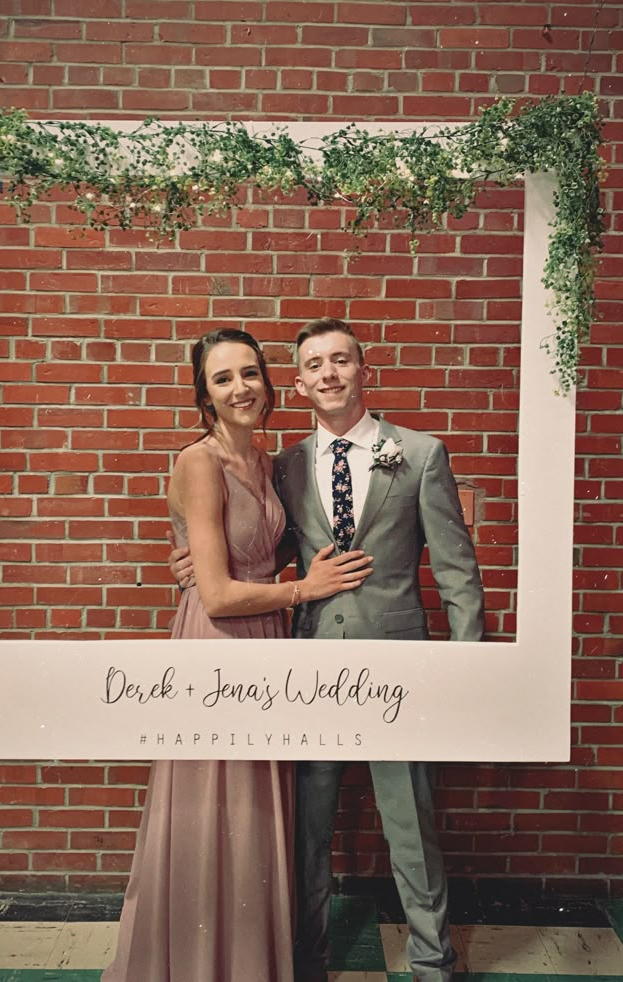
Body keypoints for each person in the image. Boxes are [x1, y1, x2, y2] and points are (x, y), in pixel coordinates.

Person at [170, 319, 485, 982]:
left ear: (362, 369)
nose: (328, 374)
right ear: (301, 381)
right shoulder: (282, 465)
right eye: (314, 365)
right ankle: (305, 960)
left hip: (398, 669)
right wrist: (204, 563)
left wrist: (466, 671)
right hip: (307, 666)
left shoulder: (421, 454)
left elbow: (457, 571)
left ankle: (434, 963)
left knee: (411, 826)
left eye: (340, 360)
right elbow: (273, 547)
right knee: (305, 828)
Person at [102, 327, 372, 982]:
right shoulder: (199, 461)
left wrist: (278, 571)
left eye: (249, 372)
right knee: (214, 807)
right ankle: (198, 966)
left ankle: (251, 962)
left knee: (254, 810)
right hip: (218, 645)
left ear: (269, 381)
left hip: (266, 641)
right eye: (222, 379)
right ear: (205, 394)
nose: (240, 387)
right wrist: (303, 588)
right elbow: (220, 596)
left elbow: (253, 553)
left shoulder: (265, 460)